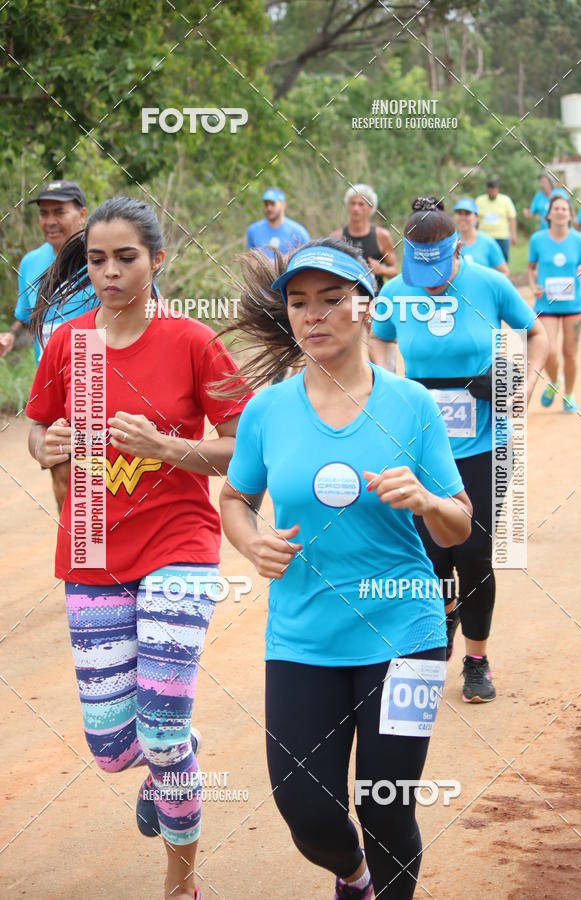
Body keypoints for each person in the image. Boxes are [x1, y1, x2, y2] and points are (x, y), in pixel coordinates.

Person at [217, 238, 471, 899]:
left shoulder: (412, 404)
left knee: (387, 804)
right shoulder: (267, 411)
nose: (314, 315)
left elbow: (460, 520)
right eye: (299, 303)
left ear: (366, 306)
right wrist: (249, 542)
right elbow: (236, 498)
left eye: (332, 300)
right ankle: (353, 876)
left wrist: (426, 499)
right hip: (303, 637)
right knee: (306, 811)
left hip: (409, 636)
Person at [25, 197, 250, 900]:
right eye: (97, 259)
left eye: (127, 257)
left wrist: (170, 447)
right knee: (114, 748)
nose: (111, 272)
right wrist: (47, 446)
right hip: (90, 545)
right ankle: (170, 754)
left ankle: (180, 882)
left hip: (178, 544)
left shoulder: (190, 341)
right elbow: (37, 428)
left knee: (158, 725)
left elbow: (245, 449)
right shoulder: (69, 345)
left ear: (157, 259)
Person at [369, 197, 548, 703]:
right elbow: (379, 339)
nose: (428, 278)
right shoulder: (396, 289)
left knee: (473, 553)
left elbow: (536, 335)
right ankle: (442, 622)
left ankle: (476, 659)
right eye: (418, 265)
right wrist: (389, 382)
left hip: (485, 444)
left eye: (437, 265)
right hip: (421, 446)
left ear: (458, 249)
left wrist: (520, 386)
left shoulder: (490, 284)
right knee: (430, 555)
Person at [0, 179, 97, 510]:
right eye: (44, 213)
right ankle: (78, 552)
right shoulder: (30, 263)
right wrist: (11, 335)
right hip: (53, 385)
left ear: (82, 214)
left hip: (98, 380)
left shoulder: (100, 258)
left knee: (104, 477)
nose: (50, 220)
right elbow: (27, 315)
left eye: (59, 211)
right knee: (63, 475)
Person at [529, 194, 581, 413]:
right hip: (546, 305)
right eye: (556, 208)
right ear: (548, 214)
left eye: (564, 209)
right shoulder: (537, 239)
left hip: (573, 306)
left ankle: (569, 394)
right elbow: (530, 267)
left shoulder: (579, 240)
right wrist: (532, 285)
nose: (560, 212)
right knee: (549, 351)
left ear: (570, 214)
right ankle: (554, 382)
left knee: (569, 352)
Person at [330, 184, 398, 292]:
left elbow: (395, 271)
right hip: (346, 301)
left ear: (371, 208)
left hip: (375, 301)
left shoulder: (382, 236)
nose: (356, 208)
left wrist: (381, 270)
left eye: (361, 204)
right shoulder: (336, 237)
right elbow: (329, 272)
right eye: (353, 204)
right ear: (348, 206)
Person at [246, 187, 309, 257]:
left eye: (272, 204)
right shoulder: (253, 231)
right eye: (266, 204)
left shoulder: (299, 232)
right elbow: (249, 259)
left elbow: (307, 258)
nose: (269, 208)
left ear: (283, 205)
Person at [453, 198, 509, 274]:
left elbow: (505, 272)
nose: (463, 217)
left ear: (477, 218)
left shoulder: (488, 243)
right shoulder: (449, 242)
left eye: (467, 213)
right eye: (459, 213)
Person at [475, 175, 517, 262]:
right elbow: (474, 218)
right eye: (491, 190)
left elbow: (512, 217)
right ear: (488, 190)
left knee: (502, 259)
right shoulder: (480, 200)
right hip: (484, 235)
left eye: (495, 190)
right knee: (485, 259)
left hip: (501, 236)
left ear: (497, 190)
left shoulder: (505, 200)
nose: (493, 192)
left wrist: (513, 234)